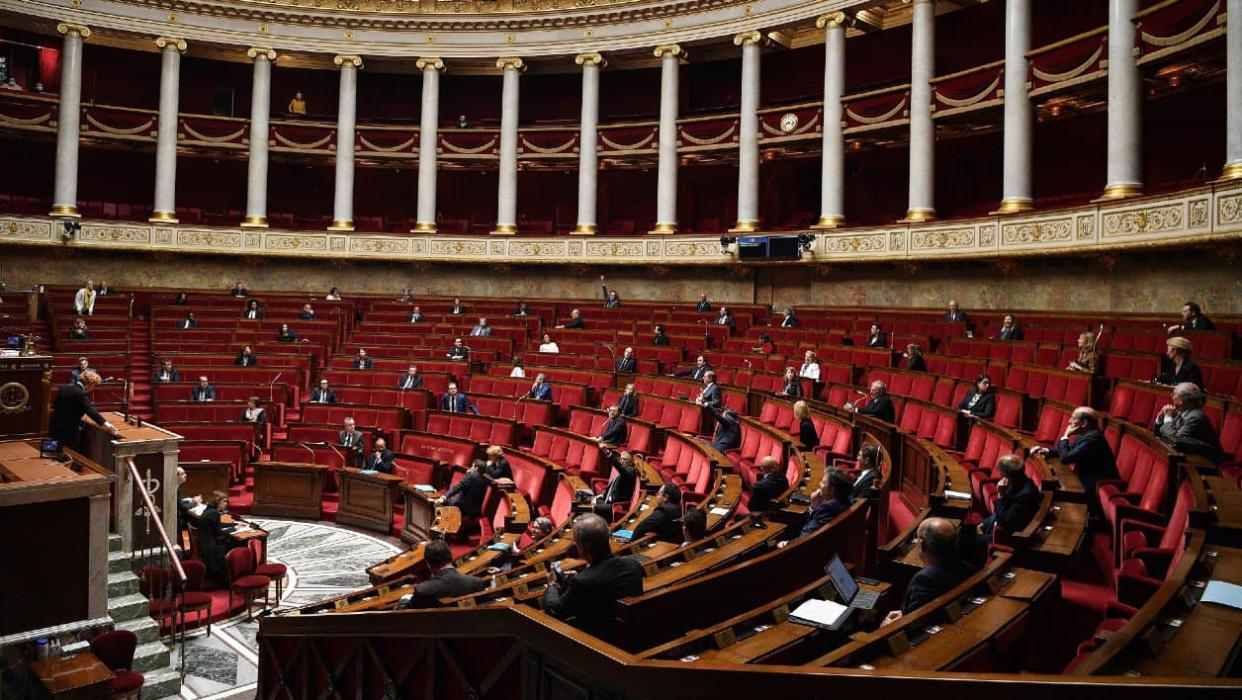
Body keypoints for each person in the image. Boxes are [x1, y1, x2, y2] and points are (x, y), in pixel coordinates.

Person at [542, 513, 643, 641]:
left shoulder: (583, 582)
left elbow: (554, 611)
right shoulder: (632, 565)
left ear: (581, 546)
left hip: (597, 644)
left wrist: (551, 584)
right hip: (630, 634)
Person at [882, 517, 974, 626]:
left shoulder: (925, 579)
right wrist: (905, 614)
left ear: (922, 545)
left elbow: (914, 625)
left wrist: (887, 626)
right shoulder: (967, 568)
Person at [1033, 407, 1118, 498]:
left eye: (1073, 418)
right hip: (1084, 479)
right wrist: (1047, 451)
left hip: (1094, 488)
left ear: (1084, 423)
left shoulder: (1094, 439)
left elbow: (1066, 458)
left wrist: (1066, 436)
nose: (1069, 421)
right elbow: (1070, 449)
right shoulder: (1088, 434)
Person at [976, 455, 1041, 548]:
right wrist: (983, 524)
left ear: (1007, 475)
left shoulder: (1025, 495)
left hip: (1010, 539)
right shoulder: (1018, 483)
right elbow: (1002, 511)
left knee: (966, 539)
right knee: (965, 530)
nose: (1000, 476)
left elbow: (1005, 522)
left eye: (1001, 474)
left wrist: (1001, 496)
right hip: (1000, 529)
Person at [402, 540, 486, 609]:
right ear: (451, 557)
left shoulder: (423, 590)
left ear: (428, 564)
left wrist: (404, 601)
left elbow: (410, 612)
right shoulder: (477, 583)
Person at [1154, 383, 1223, 462]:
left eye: (1174, 394)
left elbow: (1174, 440)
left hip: (1204, 463)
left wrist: (1168, 417)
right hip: (1186, 456)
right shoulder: (1182, 412)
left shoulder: (1195, 417)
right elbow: (1160, 436)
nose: (1172, 397)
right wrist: (1160, 418)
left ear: (1181, 400)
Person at [50, 370, 117, 450]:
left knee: (52, 450)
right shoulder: (81, 393)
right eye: (94, 385)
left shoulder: (64, 387)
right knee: (71, 453)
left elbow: (55, 404)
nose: (93, 388)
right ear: (89, 384)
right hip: (69, 430)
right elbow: (90, 411)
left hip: (55, 425)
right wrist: (106, 424)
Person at [784, 468, 853, 543]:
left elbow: (805, 538)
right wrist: (814, 507)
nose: (819, 484)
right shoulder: (846, 502)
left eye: (823, 482)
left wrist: (786, 544)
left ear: (832, 490)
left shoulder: (827, 508)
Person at [197, 491, 240, 582]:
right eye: (224, 501)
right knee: (234, 544)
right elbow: (219, 531)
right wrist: (234, 529)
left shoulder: (209, 510)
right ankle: (229, 576)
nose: (226, 504)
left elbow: (218, 524)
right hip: (211, 547)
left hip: (204, 543)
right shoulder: (214, 513)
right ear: (217, 501)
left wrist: (233, 524)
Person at [595, 448, 639, 514]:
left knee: (591, 507)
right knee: (591, 500)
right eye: (621, 459)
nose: (621, 461)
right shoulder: (624, 470)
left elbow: (619, 467)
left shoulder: (630, 471)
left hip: (616, 504)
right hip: (608, 500)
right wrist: (603, 495)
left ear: (630, 462)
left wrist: (608, 453)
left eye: (624, 459)